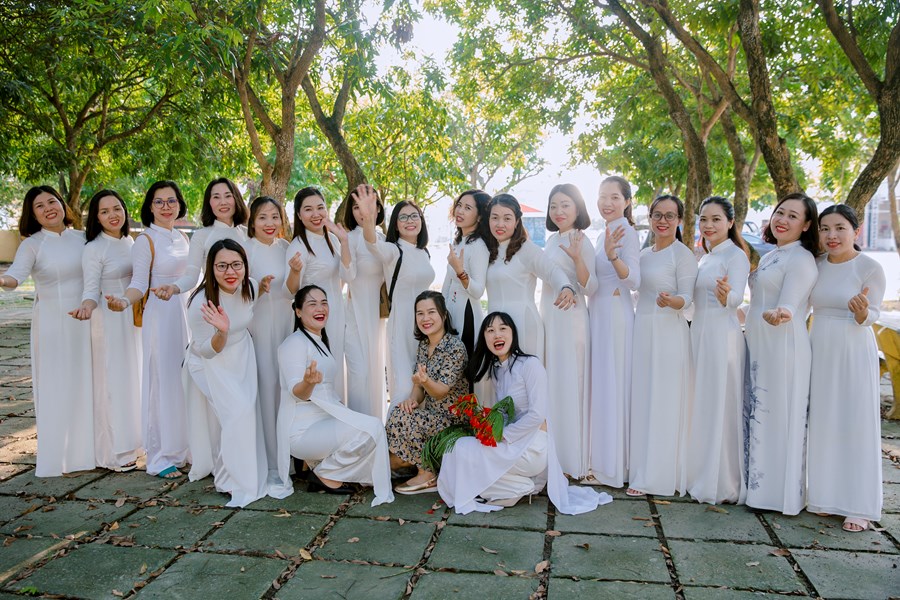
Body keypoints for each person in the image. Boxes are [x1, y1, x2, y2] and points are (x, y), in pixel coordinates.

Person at [437, 312, 613, 514]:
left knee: (463, 450)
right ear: (484, 338)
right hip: (513, 443)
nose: (497, 335)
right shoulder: (497, 371)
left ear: (513, 333)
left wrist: (502, 435)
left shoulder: (530, 365)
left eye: (503, 329)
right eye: (490, 330)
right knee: (457, 449)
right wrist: (487, 426)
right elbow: (505, 413)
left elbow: (537, 415)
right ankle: (519, 486)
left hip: (532, 446)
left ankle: (521, 487)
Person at [0, 186, 94, 476]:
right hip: (54, 323)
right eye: (39, 206)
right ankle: (62, 457)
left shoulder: (84, 238)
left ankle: (93, 451)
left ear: (63, 205)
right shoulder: (32, 245)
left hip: (90, 320)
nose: (48, 208)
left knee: (90, 383)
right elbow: (15, 276)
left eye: (52, 201)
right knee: (58, 385)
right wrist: (3, 280)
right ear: (32, 214)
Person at [273, 285, 393, 506]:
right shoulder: (294, 343)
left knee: (372, 427)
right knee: (372, 428)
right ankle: (325, 473)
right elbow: (296, 393)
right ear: (298, 311)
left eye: (324, 303)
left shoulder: (318, 341)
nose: (320, 308)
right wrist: (308, 383)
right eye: (312, 304)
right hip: (302, 431)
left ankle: (320, 466)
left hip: (323, 423)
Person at [808, 204, 885, 531]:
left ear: (856, 230)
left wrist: (861, 311)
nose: (832, 235)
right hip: (818, 346)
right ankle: (825, 496)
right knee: (823, 420)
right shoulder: (816, 264)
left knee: (855, 422)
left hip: (853, 348)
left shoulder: (869, 268)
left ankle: (858, 505)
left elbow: (872, 314)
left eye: (840, 228)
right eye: (825, 228)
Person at [108, 180, 191, 478]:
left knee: (183, 381)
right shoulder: (146, 241)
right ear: (149, 207)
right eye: (159, 201)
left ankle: (182, 447)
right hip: (161, 315)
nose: (166, 207)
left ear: (180, 204)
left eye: (171, 201)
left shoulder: (183, 236)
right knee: (161, 381)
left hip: (184, 313)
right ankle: (159, 455)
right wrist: (123, 300)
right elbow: (138, 283)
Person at [744, 192, 820, 515]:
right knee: (762, 413)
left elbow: (790, 302)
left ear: (806, 225)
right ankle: (759, 491)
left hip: (783, 343)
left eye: (792, 216)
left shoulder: (800, 259)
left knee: (779, 414)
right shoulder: (773, 255)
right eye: (780, 212)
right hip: (761, 341)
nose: (782, 220)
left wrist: (783, 313)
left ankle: (780, 496)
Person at [183, 239, 270, 507]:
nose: (230, 272)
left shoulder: (250, 286)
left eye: (236, 265)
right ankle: (230, 480)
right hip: (209, 362)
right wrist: (222, 331)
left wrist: (265, 286)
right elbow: (207, 351)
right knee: (236, 415)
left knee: (243, 414)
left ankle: (228, 473)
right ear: (211, 268)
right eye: (222, 266)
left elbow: (251, 301)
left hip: (242, 356)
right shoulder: (200, 303)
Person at [628, 194, 698, 497]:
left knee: (664, 401)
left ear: (679, 220)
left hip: (669, 332)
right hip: (643, 331)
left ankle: (658, 475)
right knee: (644, 398)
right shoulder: (644, 255)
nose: (663, 221)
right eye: (657, 214)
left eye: (670, 215)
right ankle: (639, 467)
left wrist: (672, 301)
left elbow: (688, 298)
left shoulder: (682, 255)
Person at [685, 197, 750, 504]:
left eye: (715, 219)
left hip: (722, 337)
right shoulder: (706, 257)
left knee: (720, 406)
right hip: (699, 333)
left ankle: (722, 481)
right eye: (703, 219)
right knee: (702, 404)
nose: (708, 225)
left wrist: (727, 296)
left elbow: (737, 297)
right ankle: (699, 471)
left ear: (730, 222)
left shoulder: (736, 256)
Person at [73, 190, 142, 472]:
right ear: (96, 218)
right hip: (109, 319)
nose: (113, 215)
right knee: (112, 382)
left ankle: (135, 441)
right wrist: (87, 307)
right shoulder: (94, 248)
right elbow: (90, 290)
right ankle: (114, 451)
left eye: (117, 208)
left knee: (132, 379)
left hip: (131, 317)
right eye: (104, 211)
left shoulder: (130, 242)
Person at [355, 186, 435, 407]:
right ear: (396, 224)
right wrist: (369, 218)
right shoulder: (393, 250)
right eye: (403, 217)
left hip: (426, 325)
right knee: (404, 386)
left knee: (424, 387)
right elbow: (372, 242)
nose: (410, 221)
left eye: (414, 216)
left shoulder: (424, 252)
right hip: (402, 325)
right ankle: (395, 428)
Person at [386, 291, 469, 494]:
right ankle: (421, 468)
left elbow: (440, 391)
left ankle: (427, 474)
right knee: (399, 412)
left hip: (453, 422)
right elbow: (419, 389)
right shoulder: (424, 346)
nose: (425, 318)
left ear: (444, 315)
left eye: (431, 312)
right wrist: (412, 400)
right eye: (420, 313)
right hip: (432, 418)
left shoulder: (455, 348)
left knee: (405, 420)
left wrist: (425, 380)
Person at [586, 176, 640, 488]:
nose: (607, 203)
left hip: (615, 314)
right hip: (598, 311)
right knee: (602, 384)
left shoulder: (626, 232)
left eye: (615, 197)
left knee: (613, 384)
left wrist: (613, 257)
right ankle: (600, 459)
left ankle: (613, 466)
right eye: (602, 196)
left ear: (627, 202)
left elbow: (634, 280)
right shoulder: (602, 233)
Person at [541, 184, 596, 479]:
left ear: (577, 209)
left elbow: (591, 287)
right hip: (550, 317)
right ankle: (554, 456)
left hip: (571, 319)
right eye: (554, 206)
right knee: (554, 385)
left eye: (565, 205)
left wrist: (577, 258)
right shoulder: (551, 241)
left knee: (572, 385)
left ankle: (574, 459)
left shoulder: (581, 240)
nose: (558, 211)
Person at [484, 193, 576, 361]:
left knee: (525, 374)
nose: (500, 224)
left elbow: (552, 271)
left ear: (517, 221)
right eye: (494, 218)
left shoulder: (526, 249)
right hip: (495, 328)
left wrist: (565, 287)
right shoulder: (489, 250)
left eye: (507, 218)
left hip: (523, 324)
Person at [245, 196, 294, 478]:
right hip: (259, 324)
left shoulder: (286, 248)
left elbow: (293, 287)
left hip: (286, 323)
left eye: (275, 216)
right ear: (252, 221)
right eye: (262, 217)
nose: (269, 223)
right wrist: (257, 286)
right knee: (266, 385)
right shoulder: (245, 248)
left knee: (286, 385)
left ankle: (289, 456)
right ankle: (269, 459)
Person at [286, 187, 348, 399]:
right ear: (299, 215)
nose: (316, 214)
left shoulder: (333, 239)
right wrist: (294, 271)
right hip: (315, 317)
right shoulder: (298, 245)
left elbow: (342, 276)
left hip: (336, 312)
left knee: (337, 366)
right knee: (321, 368)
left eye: (320, 207)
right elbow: (290, 291)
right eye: (308, 209)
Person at [340, 186, 388, 419]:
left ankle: (376, 428)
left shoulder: (384, 240)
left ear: (378, 209)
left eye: (368, 205)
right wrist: (343, 244)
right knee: (358, 375)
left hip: (376, 318)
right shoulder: (349, 238)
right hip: (354, 316)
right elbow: (347, 276)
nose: (362, 212)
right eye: (356, 207)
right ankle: (357, 429)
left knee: (375, 372)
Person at [162, 177, 249, 299]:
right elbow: (191, 276)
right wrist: (174, 288)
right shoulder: (201, 236)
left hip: (247, 301)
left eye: (228, 196)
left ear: (236, 199)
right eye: (216, 197)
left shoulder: (248, 234)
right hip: (214, 303)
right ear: (209, 203)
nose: (223, 202)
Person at [442, 190, 491, 357]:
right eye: (459, 205)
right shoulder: (459, 241)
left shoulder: (478, 246)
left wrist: (460, 272)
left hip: (467, 314)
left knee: (465, 365)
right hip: (451, 312)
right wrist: (441, 310)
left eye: (468, 208)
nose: (460, 211)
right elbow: (447, 283)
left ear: (479, 217)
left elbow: (478, 291)